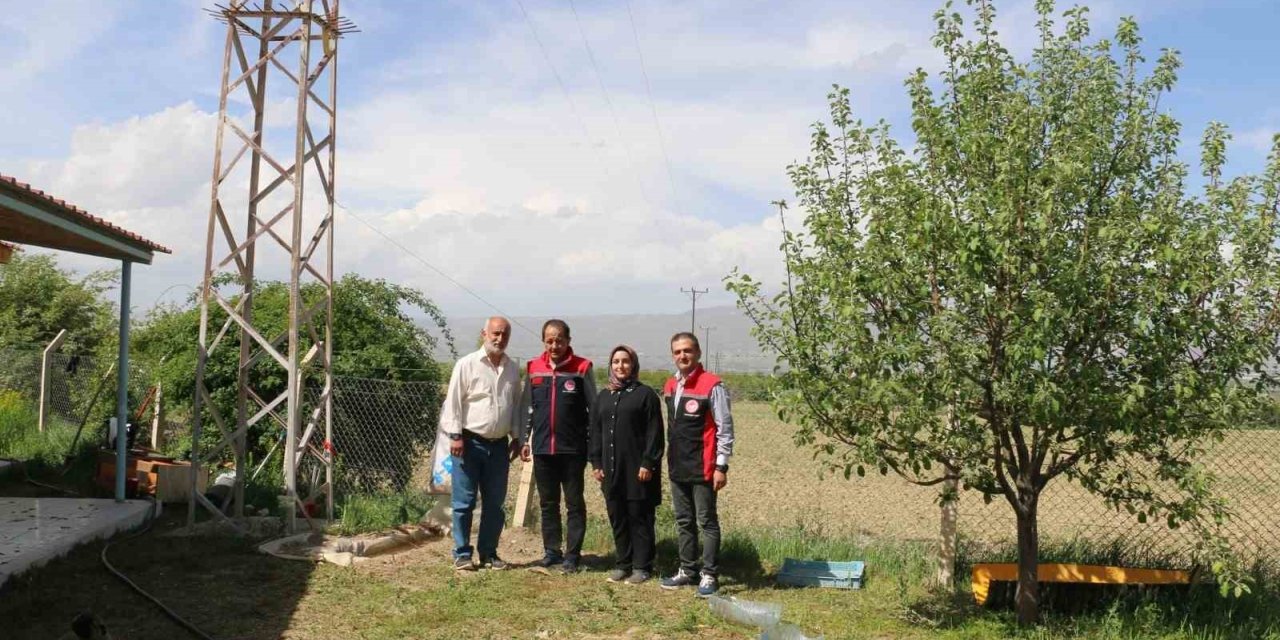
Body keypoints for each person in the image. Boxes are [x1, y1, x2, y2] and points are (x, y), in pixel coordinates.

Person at [439, 316, 522, 571]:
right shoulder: (466, 365)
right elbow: (453, 402)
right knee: (464, 502)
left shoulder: (512, 368)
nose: (500, 339)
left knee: (495, 504)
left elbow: (516, 405)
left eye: (504, 335)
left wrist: (517, 437)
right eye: (495, 333)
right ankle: (462, 554)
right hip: (468, 443)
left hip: (498, 447)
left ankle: (489, 553)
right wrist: (455, 436)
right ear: (484, 333)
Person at [660, 331, 734, 597]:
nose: (683, 356)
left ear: (698, 353)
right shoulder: (670, 385)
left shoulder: (712, 385)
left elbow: (725, 429)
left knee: (706, 521)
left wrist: (721, 467)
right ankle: (687, 570)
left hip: (704, 467)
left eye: (688, 350)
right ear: (673, 356)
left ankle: (709, 574)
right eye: (678, 352)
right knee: (683, 521)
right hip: (677, 466)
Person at [520, 319, 597, 574]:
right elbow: (529, 409)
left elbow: (593, 410)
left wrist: (591, 445)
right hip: (543, 449)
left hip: (573, 450)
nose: (555, 345)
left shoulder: (582, 368)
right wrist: (525, 439)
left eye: (560, 340)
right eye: (550, 340)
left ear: (568, 341)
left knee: (574, 503)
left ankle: (572, 555)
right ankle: (552, 552)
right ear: (544, 341)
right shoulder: (533, 367)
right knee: (547, 503)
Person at [589, 345, 664, 585]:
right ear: (610, 366)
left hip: (638, 470)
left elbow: (655, 433)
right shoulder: (603, 396)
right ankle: (623, 563)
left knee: (639, 517)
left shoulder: (645, 395)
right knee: (618, 516)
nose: (620, 366)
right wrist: (596, 462)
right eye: (615, 362)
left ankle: (642, 566)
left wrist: (648, 463)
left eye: (625, 361)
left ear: (633, 365)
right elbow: (596, 431)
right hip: (611, 470)